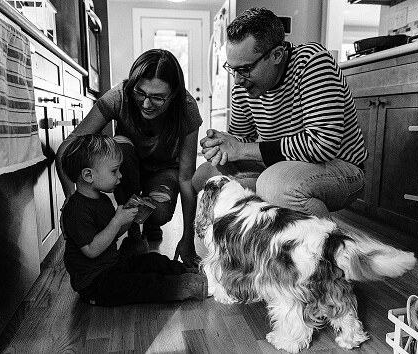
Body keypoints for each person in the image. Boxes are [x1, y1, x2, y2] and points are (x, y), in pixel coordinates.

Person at [191, 7, 368, 217]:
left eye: (245, 69)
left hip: (339, 168)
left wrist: (243, 149)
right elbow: (243, 139)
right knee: (206, 177)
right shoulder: (243, 85)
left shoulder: (313, 62)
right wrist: (224, 146)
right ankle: (260, 236)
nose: (237, 80)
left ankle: (322, 238)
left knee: (275, 185)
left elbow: (322, 145)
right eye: (233, 69)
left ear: (276, 55)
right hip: (277, 166)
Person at [55, 49, 203, 266]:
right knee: (121, 147)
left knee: (159, 213)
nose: (146, 104)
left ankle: (151, 223)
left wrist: (188, 239)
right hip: (125, 167)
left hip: (164, 171)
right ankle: (135, 236)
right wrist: (71, 200)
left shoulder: (187, 108)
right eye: (140, 93)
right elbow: (68, 147)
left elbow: (187, 177)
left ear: (174, 94)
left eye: (158, 98)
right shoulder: (120, 96)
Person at [59, 134, 206, 306]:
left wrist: (128, 219)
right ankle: (188, 286)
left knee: (151, 260)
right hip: (95, 283)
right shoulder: (75, 210)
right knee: (141, 285)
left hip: (112, 265)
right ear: (88, 175)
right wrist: (116, 221)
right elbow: (92, 250)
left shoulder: (102, 199)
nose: (120, 175)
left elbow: (111, 236)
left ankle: (193, 271)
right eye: (114, 171)